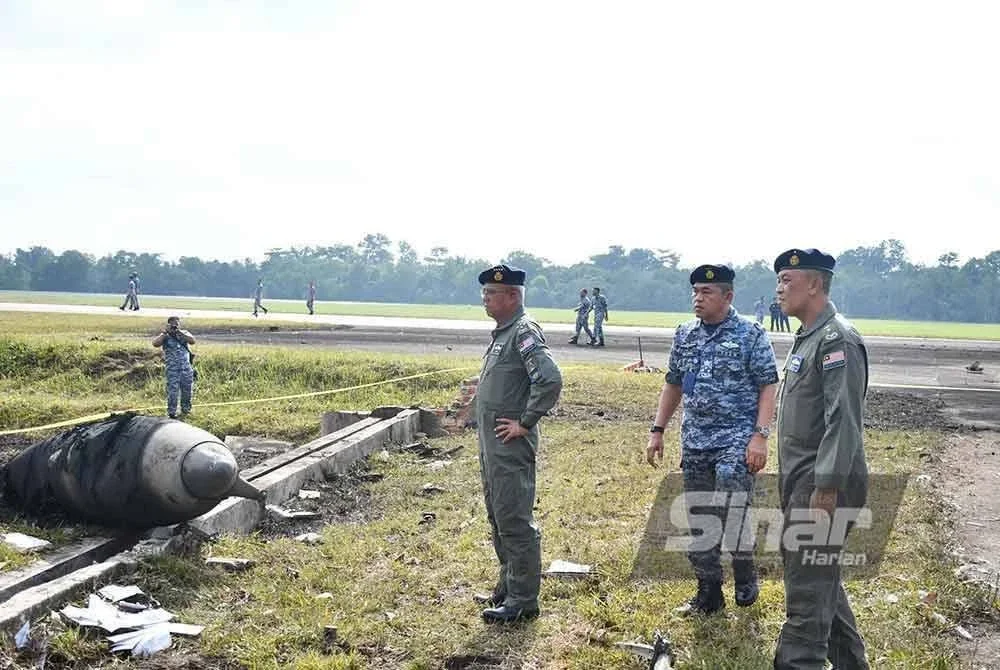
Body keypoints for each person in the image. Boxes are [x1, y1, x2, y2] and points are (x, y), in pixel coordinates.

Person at [646, 263, 778, 615]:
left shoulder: (750, 334)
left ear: (728, 296)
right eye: (695, 292)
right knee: (701, 515)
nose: (698, 298)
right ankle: (709, 593)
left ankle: (744, 566)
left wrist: (760, 437)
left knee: (731, 504)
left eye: (706, 292)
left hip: (737, 437)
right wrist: (658, 431)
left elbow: (768, 384)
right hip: (696, 440)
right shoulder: (685, 333)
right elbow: (673, 383)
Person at [772, 248, 870, 670]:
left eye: (787, 280)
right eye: (778, 280)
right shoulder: (810, 337)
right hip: (804, 481)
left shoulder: (837, 340)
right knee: (820, 581)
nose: (778, 288)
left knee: (807, 597)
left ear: (814, 284)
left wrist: (826, 486)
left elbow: (843, 420)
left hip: (822, 483)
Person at [475, 264, 563, 623]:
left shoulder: (523, 332)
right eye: (484, 293)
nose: (485, 299)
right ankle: (508, 588)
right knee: (499, 516)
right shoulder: (503, 333)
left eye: (491, 294)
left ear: (513, 296)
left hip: (510, 447)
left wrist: (525, 423)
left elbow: (550, 380)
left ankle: (524, 600)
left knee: (514, 520)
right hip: (492, 447)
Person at [152, 316, 196, 420]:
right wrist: (165, 333)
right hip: (173, 369)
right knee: (173, 391)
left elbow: (192, 341)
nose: (175, 325)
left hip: (186, 368)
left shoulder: (184, 333)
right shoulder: (165, 336)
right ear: (168, 324)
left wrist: (179, 333)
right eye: (173, 324)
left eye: (177, 323)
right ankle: (172, 412)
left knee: (187, 390)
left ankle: (186, 410)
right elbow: (155, 343)